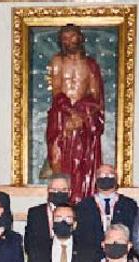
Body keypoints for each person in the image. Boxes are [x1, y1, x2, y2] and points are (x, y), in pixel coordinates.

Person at [45, 23, 104, 203]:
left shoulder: (90, 65)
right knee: (58, 157)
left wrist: (81, 114)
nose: (68, 41)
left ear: (80, 38)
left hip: (84, 119)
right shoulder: (58, 61)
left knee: (82, 162)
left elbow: (95, 95)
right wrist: (71, 113)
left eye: (72, 37)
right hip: (61, 116)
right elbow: (56, 90)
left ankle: (79, 200)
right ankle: (60, 200)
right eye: (64, 38)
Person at [76, 165, 138, 251]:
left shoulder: (129, 205)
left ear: (116, 178)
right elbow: (80, 236)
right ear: (96, 179)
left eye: (110, 175)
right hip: (90, 258)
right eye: (101, 175)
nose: (106, 177)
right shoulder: (83, 206)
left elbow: (134, 234)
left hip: (120, 254)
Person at [24, 173, 73, 255]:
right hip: (42, 260)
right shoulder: (35, 213)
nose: (59, 193)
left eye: (63, 190)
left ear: (69, 192)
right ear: (48, 191)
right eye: (55, 190)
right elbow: (29, 244)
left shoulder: (78, 213)